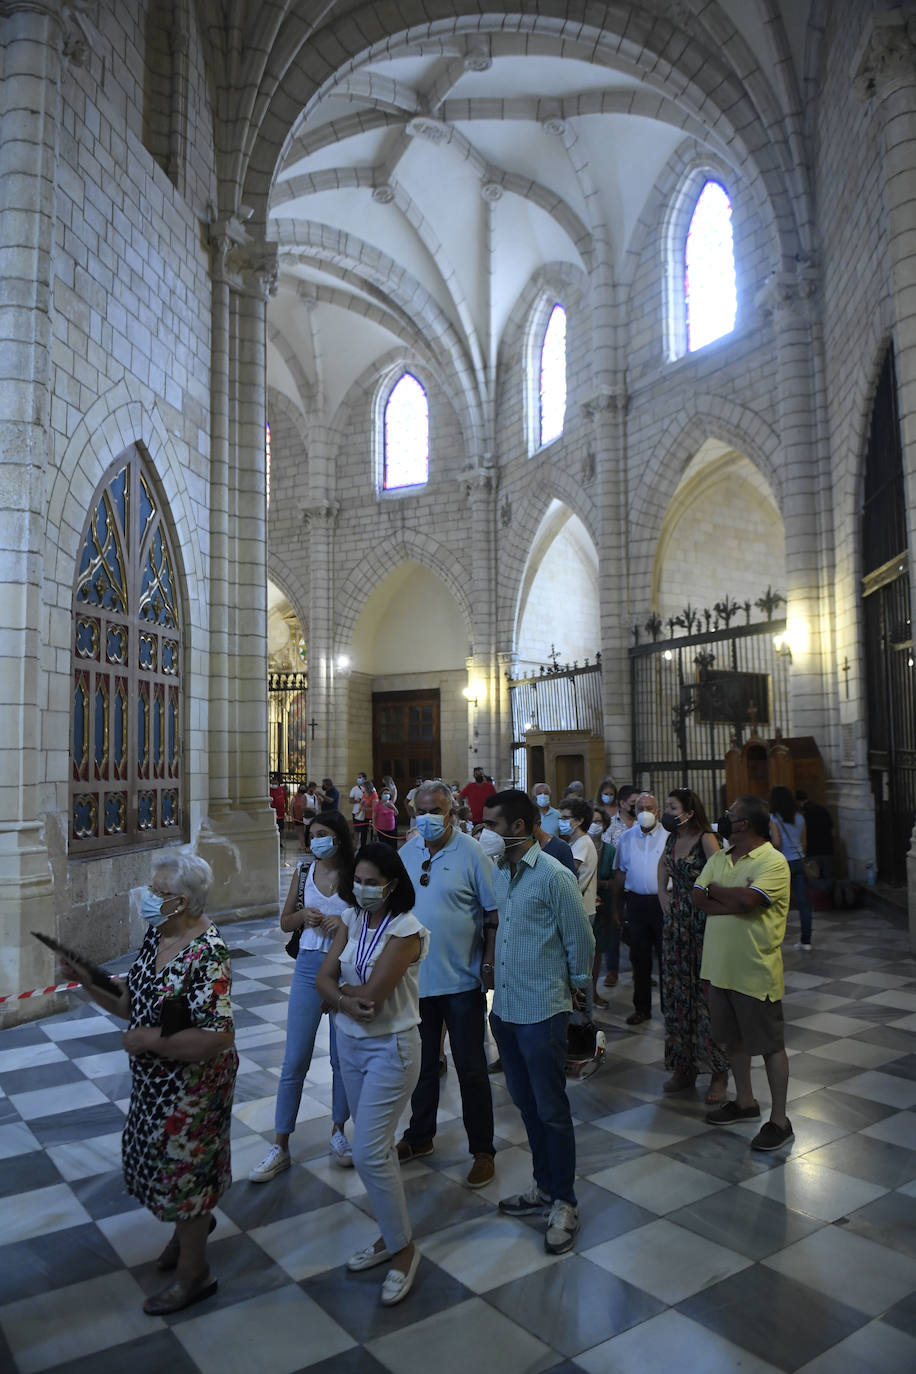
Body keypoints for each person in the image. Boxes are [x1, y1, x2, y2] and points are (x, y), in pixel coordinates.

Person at [60, 849, 237, 1315]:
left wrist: (148, 1041)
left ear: (183, 901)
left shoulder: (207, 952)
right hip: (157, 1081)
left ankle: (194, 1276)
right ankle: (187, 1233)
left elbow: (217, 1036)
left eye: (158, 892)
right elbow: (131, 1004)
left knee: (187, 1173)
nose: (147, 899)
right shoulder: (158, 936)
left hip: (195, 1085)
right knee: (159, 1161)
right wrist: (86, 983)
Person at [481, 789, 594, 1255]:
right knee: (527, 1107)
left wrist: (578, 993)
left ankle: (565, 1201)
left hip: (543, 1010)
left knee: (551, 1109)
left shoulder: (552, 875)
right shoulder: (502, 873)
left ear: (518, 828)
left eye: (491, 824)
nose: (483, 831)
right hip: (506, 1010)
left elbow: (580, 938)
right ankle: (543, 1188)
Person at [316, 843, 429, 1306]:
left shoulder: (406, 931)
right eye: (357, 879)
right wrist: (343, 999)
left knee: (368, 1153)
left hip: (391, 1047)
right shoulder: (352, 919)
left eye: (370, 881)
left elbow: (374, 999)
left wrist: (338, 996)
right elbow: (322, 978)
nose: (362, 888)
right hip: (351, 1044)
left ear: (392, 884)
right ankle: (390, 1236)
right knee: (373, 1149)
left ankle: (404, 1252)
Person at [395, 781, 498, 1187]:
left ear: (452, 813)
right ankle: (420, 1136)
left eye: (436, 810)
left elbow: (493, 913)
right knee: (420, 1068)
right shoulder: (406, 854)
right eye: (421, 810)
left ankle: (483, 1150)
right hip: (416, 981)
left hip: (462, 981)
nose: (428, 818)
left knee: (471, 1067)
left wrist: (488, 963)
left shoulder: (471, 853)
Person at [249, 810, 355, 1182]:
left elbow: (370, 919)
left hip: (346, 968)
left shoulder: (356, 873)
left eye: (322, 833)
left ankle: (339, 1131)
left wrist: (344, 923)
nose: (315, 841)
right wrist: (303, 916)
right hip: (310, 964)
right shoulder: (305, 871)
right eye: (312, 834)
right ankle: (280, 1144)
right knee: (295, 1059)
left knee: (342, 1059)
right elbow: (284, 922)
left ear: (339, 836)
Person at [694, 794, 793, 1152]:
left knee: (769, 1045)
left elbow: (750, 902)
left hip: (755, 969)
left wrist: (720, 893)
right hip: (720, 968)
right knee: (733, 1041)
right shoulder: (720, 856)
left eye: (730, 814)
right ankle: (746, 1102)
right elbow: (696, 897)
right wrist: (730, 899)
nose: (724, 817)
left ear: (744, 824)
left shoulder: (773, 862)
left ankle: (780, 1121)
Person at [658, 789, 729, 1103]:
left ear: (688, 810)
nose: (667, 811)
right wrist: (663, 895)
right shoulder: (673, 839)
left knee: (705, 1001)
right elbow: (664, 865)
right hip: (676, 925)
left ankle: (718, 1072)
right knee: (677, 996)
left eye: (672, 807)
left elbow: (720, 878)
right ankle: (683, 1067)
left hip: (701, 925)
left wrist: (705, 905)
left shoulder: (705, 838)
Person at [613, 792, 667, 1025]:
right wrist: (616, 907)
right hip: (636, 903)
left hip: (663, 903)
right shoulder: (626, 838)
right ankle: (642, 1008)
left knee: (667, 960)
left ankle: (669, 1009)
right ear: (634, 812)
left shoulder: (669, 836)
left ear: (658, 811)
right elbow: (619, 873)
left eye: (650, 808)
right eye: (641, 807)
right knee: (639, 959)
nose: (646, 812)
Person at [558, 797, 600, 1006]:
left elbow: (568, 874)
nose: (562, 821)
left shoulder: (582, 843)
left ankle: (584, 1019)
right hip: (579, 908)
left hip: (582, 909)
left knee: (580, 967)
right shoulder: (574, 842)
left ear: (579, 820)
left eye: (566, 818)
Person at [769, 785, 814, 950]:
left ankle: (774, 941)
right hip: (800, 862)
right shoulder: (800, 817)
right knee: (803, 903)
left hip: (783, 863)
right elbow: (804, 843)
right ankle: (806, 941)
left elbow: (777, 843)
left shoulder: (774, 818)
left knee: (777, 903)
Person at [796, 788, 834, 881]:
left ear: (797, 801)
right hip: (827, 849)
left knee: (814, 881)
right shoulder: (822, 809)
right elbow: (831, 827)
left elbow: (801, 834)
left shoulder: (801, 814)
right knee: (828, 881)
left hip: (812, 851)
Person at [350, 773, 379, 851]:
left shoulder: (374, 795)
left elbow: (374, 809)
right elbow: (362, 803)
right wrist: (358, 811)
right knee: (363, 833)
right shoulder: (365, 794)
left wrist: (363, 809)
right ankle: (362, 848)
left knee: (371, 834)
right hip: (363, 817)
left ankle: (371, 848)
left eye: (363, 787)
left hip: (371, 817)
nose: (362, 788)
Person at [374, 784, 399, 848]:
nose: (387, 795)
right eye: (385, 793)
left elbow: (396, 813)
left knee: (392, 845)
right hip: (382, 829)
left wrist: (393, 807)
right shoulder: (378, 805)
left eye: (388, 794)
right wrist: (375, 829)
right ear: (381, 795)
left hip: (391, 828)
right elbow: (374, 817)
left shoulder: (391, 803)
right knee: (384, 846)